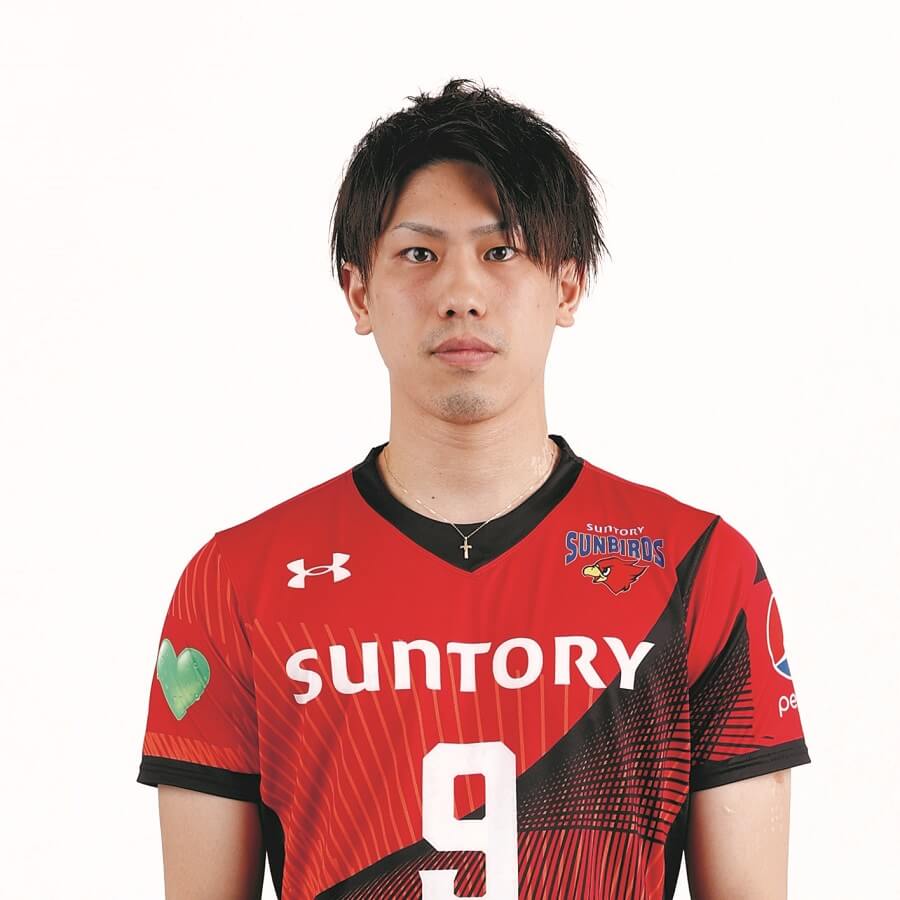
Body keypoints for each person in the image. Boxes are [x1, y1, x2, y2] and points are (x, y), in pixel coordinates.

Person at [137, 77, 811, 900]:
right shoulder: (237, 582)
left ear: (567, 286)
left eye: (502, 252)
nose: (460, 294)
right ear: (359, 291)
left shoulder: (701, 569)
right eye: (419, 255)